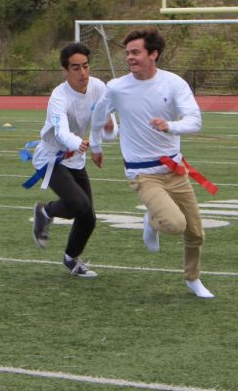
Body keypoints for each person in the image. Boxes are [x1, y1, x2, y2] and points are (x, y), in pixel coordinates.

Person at [90, 28, 215, 299]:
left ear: (153, 54)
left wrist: (169, 126)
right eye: (128, 54)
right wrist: (97, 143)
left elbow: (195, 121)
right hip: (142, 173)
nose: (130, 58)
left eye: (136, 52)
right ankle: (153, 219)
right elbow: (99, 114)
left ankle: (193, 279)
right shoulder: (117, 87)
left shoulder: (174, 83)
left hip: (174, 170)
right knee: (174, 224)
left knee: (196, 233)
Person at [29, 42, 113, 278]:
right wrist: (78, 143)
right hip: (51, 158)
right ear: (65, 71)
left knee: (89, 219)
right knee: (78, 204)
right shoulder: (59, 96)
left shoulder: (98, 87)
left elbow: (107, 125)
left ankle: (71, 259)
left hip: (75, 158)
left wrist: (103, 136)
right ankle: (45, 211)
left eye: (86, 66)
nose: (83, 73)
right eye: (75, 68)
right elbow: (60, 132)